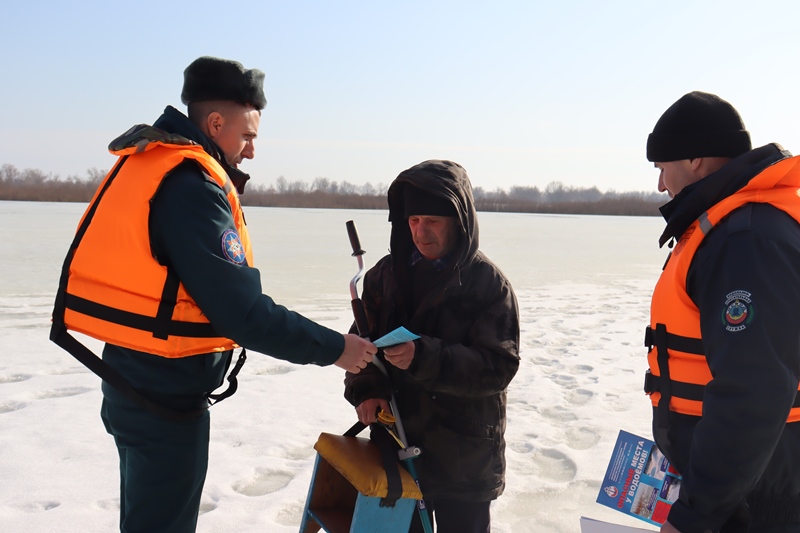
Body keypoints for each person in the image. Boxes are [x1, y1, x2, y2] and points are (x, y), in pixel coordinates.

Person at [49, 56, 376, 533]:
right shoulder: (191, 186)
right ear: (216, 123)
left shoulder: (155, 163)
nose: (251, 152)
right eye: (248, 136)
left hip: (134, 382)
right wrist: (337, 349)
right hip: (160, 400)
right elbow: (242, 314)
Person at [643, 91, 800, 533]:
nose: (660, 185)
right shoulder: (730, 226)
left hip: (754, 497)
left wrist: (696, 514)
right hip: (739, 486)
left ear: (694, 159)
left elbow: (754, 388)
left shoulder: (744, 239)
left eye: (662, 167)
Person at [343, 160, 520, 533]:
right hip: (398, 449)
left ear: (458, 220)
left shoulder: (489, 285)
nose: (421, 232)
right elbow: (360, 348)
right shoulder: (383, 276)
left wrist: (423, 356)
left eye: (433, 221)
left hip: (465, 460)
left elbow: (497, 367)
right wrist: (367, 391)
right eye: (413, 221)